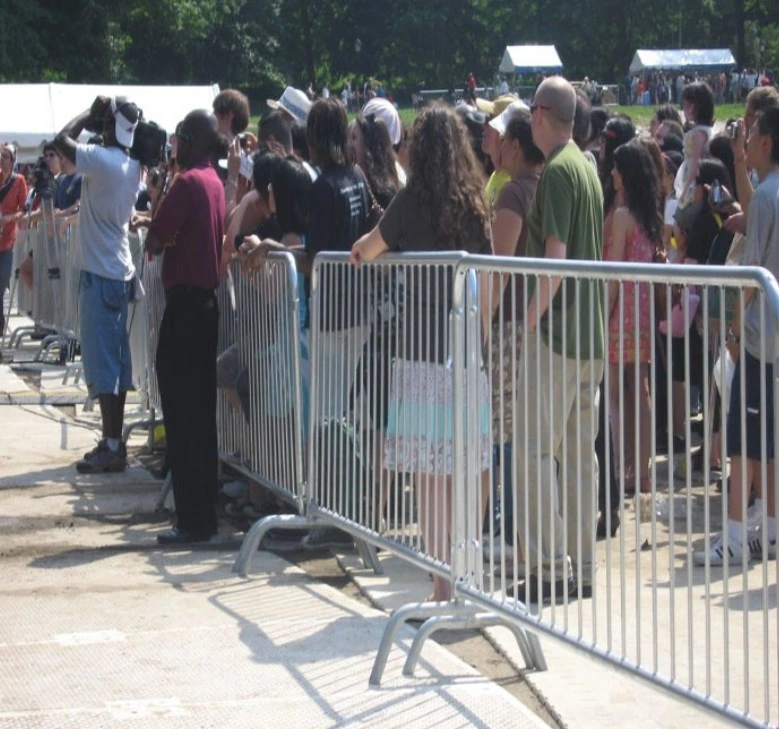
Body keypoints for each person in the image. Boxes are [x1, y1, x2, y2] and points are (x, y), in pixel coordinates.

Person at [351, 103, 493, 602]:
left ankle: (441, 580)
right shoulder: (474, 203)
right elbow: (489, 277)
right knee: (469, 465)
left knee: (430, 474)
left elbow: (364, 250)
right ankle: (468, 563)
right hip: (467, 353)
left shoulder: (409, 204)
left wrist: (386, 255)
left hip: (421, 355)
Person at [514, 77, 605, 603]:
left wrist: (530, 317)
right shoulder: (586, 167)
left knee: (532, 454)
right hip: (589, 335)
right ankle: (584, 566)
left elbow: (556, 255)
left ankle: (548, 569)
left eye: (531, 110)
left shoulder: (558, 172)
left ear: (543, 113)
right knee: (577, 458)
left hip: (558, 333)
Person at [695, 105, 779, 565]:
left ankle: (732, 534)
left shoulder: (766, 197)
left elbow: (754, 267)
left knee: (742, 439)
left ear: (765, 142)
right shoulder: (767, 192)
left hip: (758, 335)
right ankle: (768, 529)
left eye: (753, 138)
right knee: (766, 438)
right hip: (771, 337)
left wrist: (733, 325)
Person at [145, 110, 226, 545]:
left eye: (178, 139)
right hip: (206, 305)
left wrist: (160, 190)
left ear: (190, 140)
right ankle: (201, 514)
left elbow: (155, 240)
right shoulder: (213, 181)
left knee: (181, 412)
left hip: (186, 305)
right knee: (200, 414)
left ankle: (191, 518)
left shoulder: (189, 181)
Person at [54, 96, 141, 473]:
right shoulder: (128, 162)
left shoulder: (106, 161)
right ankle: (113, 441)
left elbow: (62, 139)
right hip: (115, 270)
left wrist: (89, 115)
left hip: (103, 272)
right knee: (116, 365)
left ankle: (111, 443)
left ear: (110, 127)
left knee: (104, 366)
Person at [487, 105, 544, 562]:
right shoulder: (547, 187)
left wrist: (480, 321)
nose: (498, 148)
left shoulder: (512, 196)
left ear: (517, 146)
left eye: (504, 140)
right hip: (538, 323)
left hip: (508, 325)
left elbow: (498, 268)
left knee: (504, 431)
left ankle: (510, 534)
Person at [604, 140, 663, 496]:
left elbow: (613, 272)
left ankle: (618, 465)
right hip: (641, 312)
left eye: (615, 168)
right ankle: (640, 469)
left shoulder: (623, 216)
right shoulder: (646, 215)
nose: (611, 173)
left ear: (625, 174)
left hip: (620, 311)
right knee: (639, 392)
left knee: (613, 393)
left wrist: (603, 310)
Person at [0, 144, 28, 338]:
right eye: (0, 156)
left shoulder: (19, 181)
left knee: (1, 283)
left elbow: (24, 210)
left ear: (13, 160)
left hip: (7, 240)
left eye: (6, 157)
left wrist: (9, 218)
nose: (2, 159)